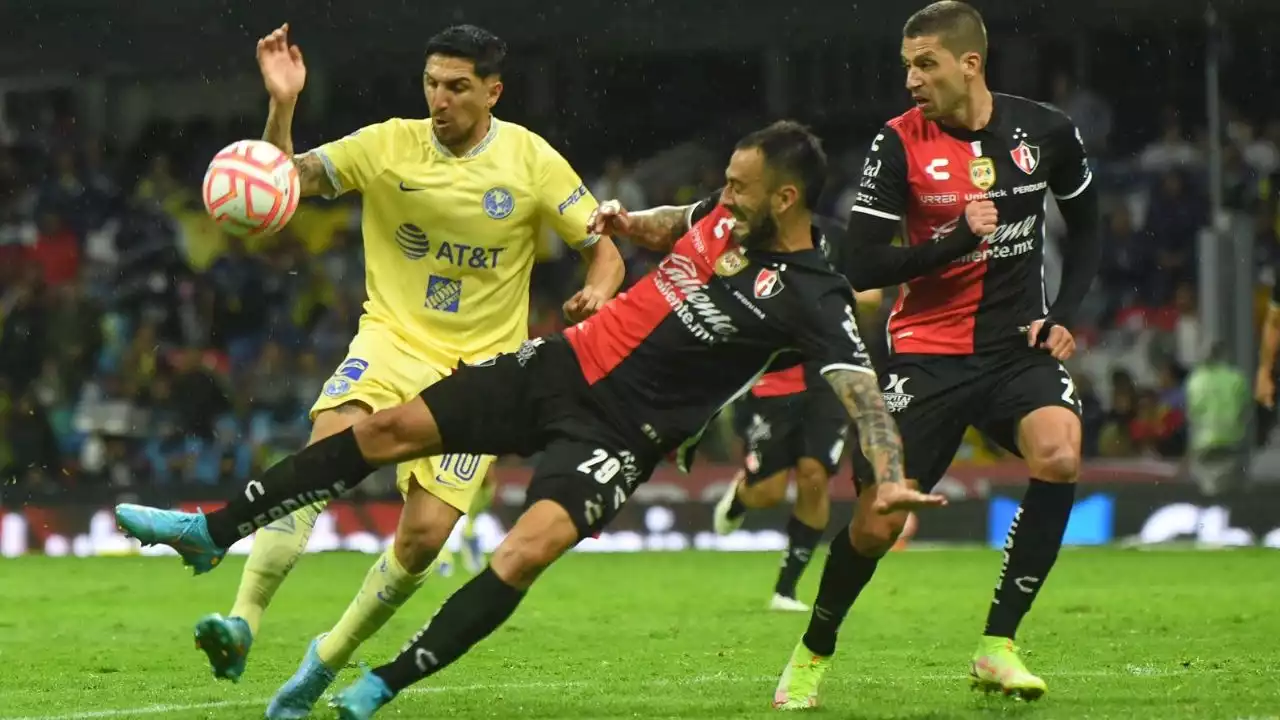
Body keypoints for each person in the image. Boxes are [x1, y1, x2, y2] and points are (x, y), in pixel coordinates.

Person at [114, 120, 947, 720]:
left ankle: (380, 684)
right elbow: (673, 226)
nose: (724, 195)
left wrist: (894, 475)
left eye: (740, 185)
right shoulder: (724, 218)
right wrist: (627, 224)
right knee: (381, 431)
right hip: (562, 365)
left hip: (621, 438)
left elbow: (862, 391)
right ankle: (211, 533)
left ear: (787, 198)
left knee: (523, 551)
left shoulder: (814, 292)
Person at [184, 23, 625, 719]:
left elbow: (603, 246)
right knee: (325, 454)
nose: (439, 99)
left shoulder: (533, 161)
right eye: (431, 84)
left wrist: (599, 286)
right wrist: (282, 107)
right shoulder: (387, 143)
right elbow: (281, 181)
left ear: (492, 91)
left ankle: (322, 661)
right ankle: (243, 619)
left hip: (480, 369)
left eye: (456, 87)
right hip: (390, 340)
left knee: (421, 540)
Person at [771, 1, 1101, 708]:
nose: (912, 79)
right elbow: (859, 264)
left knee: (1061, 453)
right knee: (878, 522)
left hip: (1016, 349)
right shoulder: (898, 143)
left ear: (969, 63)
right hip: (926, 354)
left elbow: (1090, 227)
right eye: (907, 66)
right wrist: (954, 239)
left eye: (926, 64)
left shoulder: (1045, 132)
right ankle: (814, 647)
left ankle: (997, 646)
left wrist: (1062, 317)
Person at [710, 217, 859, 612]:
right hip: (772, 381)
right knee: (767, 493)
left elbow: (867, 288)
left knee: (814, 477)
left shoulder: (832, 237)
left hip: (827, 377)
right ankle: (742, 497)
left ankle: (786, 589)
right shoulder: (748, 242)